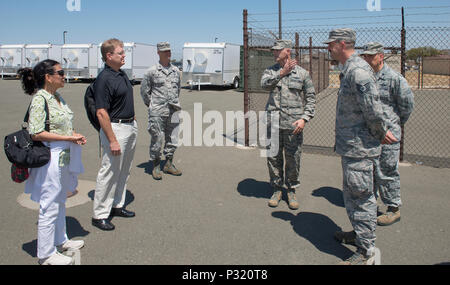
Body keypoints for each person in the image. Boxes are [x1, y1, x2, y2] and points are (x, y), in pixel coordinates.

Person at [324, 29, 398, 265]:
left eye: (331, 44)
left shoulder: (358, 71)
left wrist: (380, 133)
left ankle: (366, 251)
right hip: (351, 147)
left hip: (360, 149)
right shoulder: (350, 69)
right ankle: (358, 234)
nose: (328, 48)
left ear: (342, 44)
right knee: (353, 196)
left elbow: (373, 110)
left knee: (362, 198)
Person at [18, 60, 86, 265]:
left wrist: (73, 135)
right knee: (49, 204)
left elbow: (60, 127)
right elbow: (37, 132)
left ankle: (60, 240)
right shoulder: (40, 99)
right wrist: (68, 138)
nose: (64, 76)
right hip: (50, 157)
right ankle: (46, 254)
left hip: (63, 154)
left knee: (60, 200)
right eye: (61, 72)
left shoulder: (57, 97)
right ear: (48, 77)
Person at [361, 42, 414, 226]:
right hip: (371, 135)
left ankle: (393, 208)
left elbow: (406, 106)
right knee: (371, 171)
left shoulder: (394, 78)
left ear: (380, 56)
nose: (366, 59)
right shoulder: (366, 78)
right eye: (365, 56)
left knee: (388, 171)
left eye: (370, 56)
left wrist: (393, 125)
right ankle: (371, 205)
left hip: (388, 135)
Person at [260, 40, 316, 210]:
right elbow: (264, 85)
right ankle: (277, 189)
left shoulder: (302, 74)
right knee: (273, 157)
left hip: (294, 125)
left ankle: (291, 190)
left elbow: (311, 98)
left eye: (278, 51)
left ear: (287, 51)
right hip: (274, 123)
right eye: (273, 51)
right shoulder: (270, 71)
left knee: (293, 159)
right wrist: (281, 73)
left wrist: (305, 118)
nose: (274, 53)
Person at [92, 38, 137, 231]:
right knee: (109, 172)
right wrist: (112, 139)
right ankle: (100, 214)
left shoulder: (121, 74)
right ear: (109, 56)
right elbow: (101, 112)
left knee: (124, 171)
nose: (124, 55)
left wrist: (133, 121)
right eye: (120, 53)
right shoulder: (104, 79)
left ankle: (117, 205)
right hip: (115, 129)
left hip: (129, 127)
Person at [140, 42, 182, 180]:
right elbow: (145, 92)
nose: (168, 53)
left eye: (169, 51)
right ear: (158, 53)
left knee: (173, 138)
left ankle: (168, 163)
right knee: (158, 138)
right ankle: (156, 164)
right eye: (164, 51)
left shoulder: (176, 71)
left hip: (173, 109)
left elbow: (178, 90)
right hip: (158, 111)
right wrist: (153, 106)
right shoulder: (151, 71)